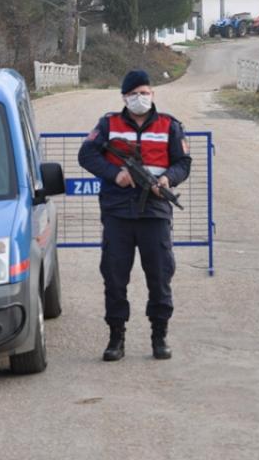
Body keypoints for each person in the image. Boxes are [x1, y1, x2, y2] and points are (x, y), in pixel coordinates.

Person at [78, 69, 191, 361]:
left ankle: (159, 336)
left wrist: (167, 180)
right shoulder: (108, 124)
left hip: (155, 212)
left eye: (144, 92)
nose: (140, 98)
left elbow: (183, 163)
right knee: (115, 276)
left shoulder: (169, 125)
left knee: (160, 274)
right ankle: (116, 337)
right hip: (118, 213)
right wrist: (116, 175)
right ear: (124, 97)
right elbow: (87, 154)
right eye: (134, 94)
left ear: (152, 94)